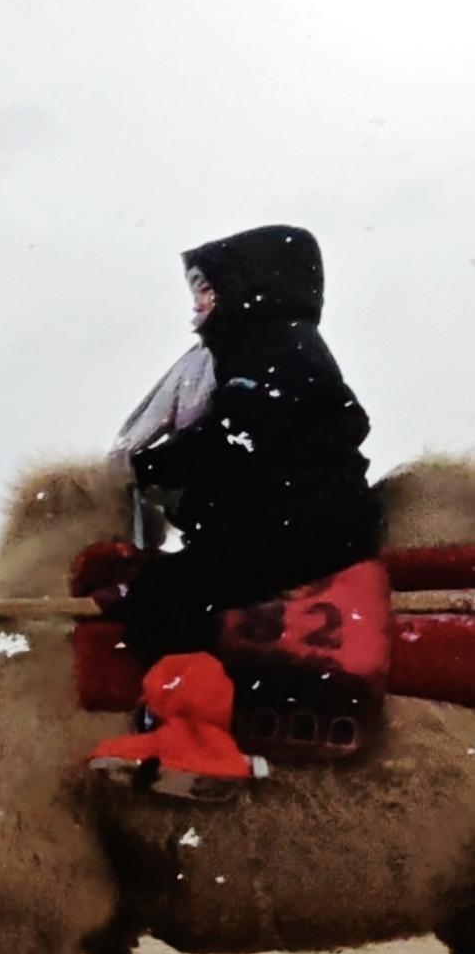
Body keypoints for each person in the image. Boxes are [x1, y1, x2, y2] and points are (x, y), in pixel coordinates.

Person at [98, 227, 378, 790]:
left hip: (294, 527)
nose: (197, 304)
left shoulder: (272, 348)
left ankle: (196, 743)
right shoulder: (274, 347)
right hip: (292, 520)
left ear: (248, 286)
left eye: (206, 287)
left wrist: (148, 469)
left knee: (164, 596)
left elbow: (239, 434)